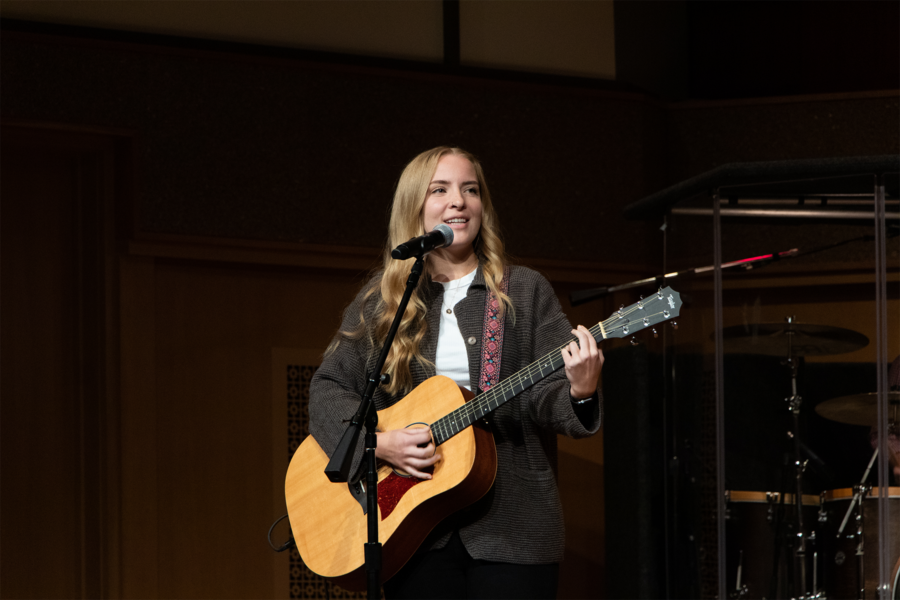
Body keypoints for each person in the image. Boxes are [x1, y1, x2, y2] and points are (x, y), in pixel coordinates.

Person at [308, 146, 603, 600]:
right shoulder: (382, 303)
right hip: (414, 531)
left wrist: (580, 390)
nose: (459, 202)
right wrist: (380, 443)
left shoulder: (523, 290)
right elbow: (328, 388)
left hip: (514, 530)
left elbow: (547, 397)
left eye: (470, 190)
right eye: (440, 190)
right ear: (414, 208)